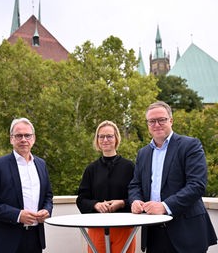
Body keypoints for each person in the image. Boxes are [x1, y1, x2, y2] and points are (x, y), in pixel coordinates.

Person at [128, 101, 217, 253]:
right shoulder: (143, 153)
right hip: (154, 233)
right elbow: (135, 184)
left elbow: (197, 185)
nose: (157, 124)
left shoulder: (190, 145)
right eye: (152, 121)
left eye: (161, 119)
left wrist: (164, 206)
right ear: (148, 124)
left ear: (171, 120)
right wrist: (135, 200)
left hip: (187, 232)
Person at [0, 117, 53, 253]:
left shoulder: (41, 164)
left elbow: (48, 196)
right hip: (4, 242)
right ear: (11, 139)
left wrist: (47, 210)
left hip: (35, 239)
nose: (24, 139)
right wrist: (17, 215)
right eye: (19, 136)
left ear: (34, 138)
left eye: (27, 135)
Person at [76, 120, 136, 253]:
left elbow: (138, 197)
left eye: (109, 136)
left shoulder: (129, 167)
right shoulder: (91, 169)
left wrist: (121, 203)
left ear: (116, 138)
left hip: (124, 228)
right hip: (97, 228)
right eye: (101, 136)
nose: (105, 139)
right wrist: (95, 205)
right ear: (97, 140)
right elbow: (81, 199)